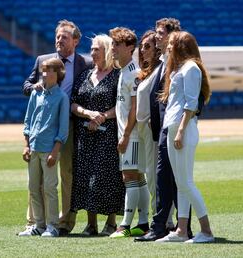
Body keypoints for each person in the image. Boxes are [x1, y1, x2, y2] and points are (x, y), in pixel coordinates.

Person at [22, 20, 91, 236]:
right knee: (37, 178)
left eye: (65, 37)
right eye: (58, 36)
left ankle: (63, 223)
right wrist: (34, 86)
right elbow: (26, 85)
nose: (59, 40)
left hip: (70, 126)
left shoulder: (85, 63)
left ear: (76, 41)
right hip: (43, 129)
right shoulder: (43, 61)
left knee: (67, 174)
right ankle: (34, 222)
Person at [135, 18, 195, 242]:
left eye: (160, 33)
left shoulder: (181, 63)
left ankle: (180, 228)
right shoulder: (163, 61)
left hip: (173, 127)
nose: (156, 36)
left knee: (175, 179)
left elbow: (189, 98)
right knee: (163, 179)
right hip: (162, 129)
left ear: (173, 35)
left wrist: (180, 127)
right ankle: (164, 226)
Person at [156, 31, 214, 243]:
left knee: (186, 182)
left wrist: (180, 130)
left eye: (171, 44)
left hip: (184, 129)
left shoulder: (190, 68)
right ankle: (181, 230)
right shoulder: (180, 68)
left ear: (181, 46)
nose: (168, 47)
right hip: (173, 127)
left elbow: (191, 104)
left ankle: (206, 230)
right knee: (181, 182)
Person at [70, 34, 125, 236]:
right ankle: (90, 224)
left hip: (108, 134)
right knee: (85, 177)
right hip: (84, 135)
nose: (92, 52)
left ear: (107, 51)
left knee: (106, 177)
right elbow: (74, 103)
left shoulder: (117, 75)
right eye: (92, 49)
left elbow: (122, 105)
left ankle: (111, 223)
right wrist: (87, 113)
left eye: (96, 49)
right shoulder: (85, 75)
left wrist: (102, 117)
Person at [19, 58, 69, 237]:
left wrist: (55, 151)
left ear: (58, 74)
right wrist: (26, 145)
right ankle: (38, 225)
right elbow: (28, 120)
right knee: (33, 187)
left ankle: (53, 226)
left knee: (49, 188)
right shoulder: (35, 94)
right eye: (43, 71)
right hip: (34, 148)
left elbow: (63, 128)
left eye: (49, 71)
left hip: (49, 149)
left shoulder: (62, 97)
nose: (45, 75)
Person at [108, 27, 150, 238]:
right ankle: (143, 223)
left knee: (129, 176)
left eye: (116, 44)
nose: (112, 48)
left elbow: (135, 106)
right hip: (128, 133)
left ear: (130, 47)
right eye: (112, 44)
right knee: (138, 176)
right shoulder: (124, 70)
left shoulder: (132, 71)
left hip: (131, 134)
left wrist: (125, 135)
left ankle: (124, 225)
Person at [136, 30, 161, 216]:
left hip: (153, 130)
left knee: (154, 176)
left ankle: (162, 219)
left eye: (147, 46)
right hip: (142, 130)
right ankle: (158, 217)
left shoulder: (160, 70)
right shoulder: (145, 72)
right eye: (142, 46)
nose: (143, 50)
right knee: (148, 174)